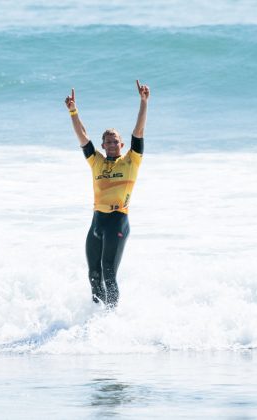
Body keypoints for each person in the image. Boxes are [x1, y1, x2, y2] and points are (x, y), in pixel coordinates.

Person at [65, 80, 150, 307]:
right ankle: (96, 319)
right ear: (102, 145)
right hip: (97, 222)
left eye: (115, 141)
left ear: (122, 144)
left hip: (117, 221)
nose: (112, 144)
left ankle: (112, 319)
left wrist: (143, 102)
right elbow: (82, 135)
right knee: (94, 275)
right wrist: (73, 111)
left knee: (109, 273)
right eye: (108, 142)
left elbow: (139, 130)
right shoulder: (97, 162)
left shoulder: (131, 160)